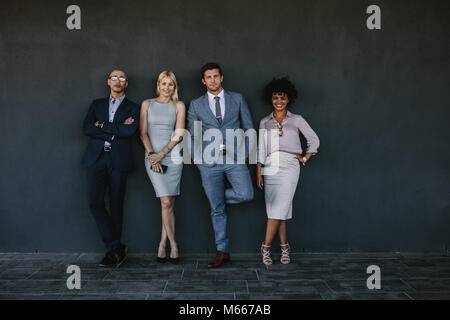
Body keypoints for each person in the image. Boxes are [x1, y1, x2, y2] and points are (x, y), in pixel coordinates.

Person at [187, 62, 254, 268]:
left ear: (222, 78)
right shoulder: (196, 104)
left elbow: (249, 126)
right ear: (203, 80)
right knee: (217, 210)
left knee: (246, 194)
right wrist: (197, 160)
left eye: (216, 76)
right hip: (209, 162)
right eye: (209, 77)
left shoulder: (237, 98)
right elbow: (191, 134)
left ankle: (217, 199)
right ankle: (222, 251)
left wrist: (245, 155)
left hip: (235, 159)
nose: (213, 80)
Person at [256, 77, 320, 265]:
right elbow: (260, 147)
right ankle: (285, 247)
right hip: (270, 165)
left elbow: (314, 140)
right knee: (278, 210)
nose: (279, 102)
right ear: (271, 99)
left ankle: (265, 247)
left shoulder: (297, 119)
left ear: (289, 99)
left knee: (279, 207)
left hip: (290, 165)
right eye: (275, 98)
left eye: (282, 98)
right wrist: (258, 171)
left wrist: (305, 157)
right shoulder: (264, 122)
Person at [82, 69, 140, 267]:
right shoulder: (96, 104)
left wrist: (102, 125)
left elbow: (130, 130)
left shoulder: (133, 107)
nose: (117, 81)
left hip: (119, 160)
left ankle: (112, 252)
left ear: (126, 83)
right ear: (108, 82)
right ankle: (115, 247)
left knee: (116, 205)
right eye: (114, 77)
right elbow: (87, 127)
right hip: (96, 159)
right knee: (94, 202)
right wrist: (113, 132)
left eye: (122, 78)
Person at [140, 71, 185, 264]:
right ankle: (174, 245)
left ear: (175, 87)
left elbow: (179, 134)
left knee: (168, 204)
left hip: (172, 157)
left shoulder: (179, 105)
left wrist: (162, 154)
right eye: (164, 84)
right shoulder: (146, 104)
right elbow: (142, 133)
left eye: (171, 85)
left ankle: (162, 244)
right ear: (158, 84)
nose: (167, 88)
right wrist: (153, 156)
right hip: (152, 157)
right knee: (166, 203)